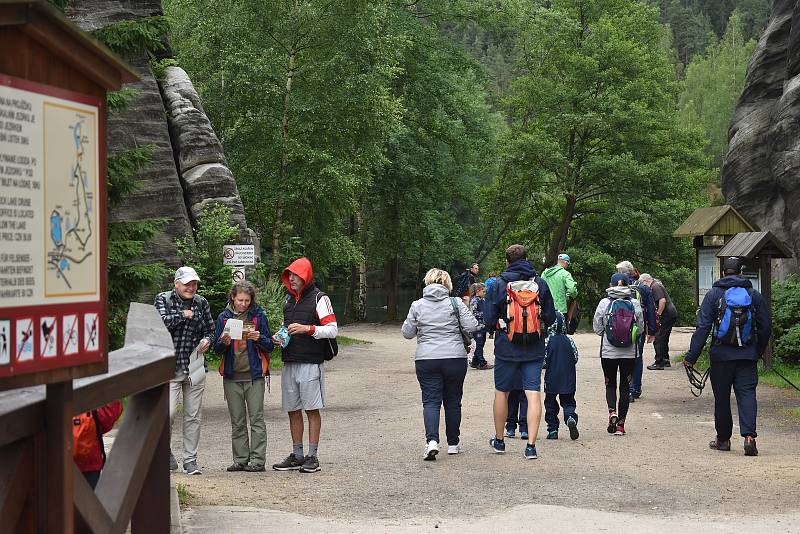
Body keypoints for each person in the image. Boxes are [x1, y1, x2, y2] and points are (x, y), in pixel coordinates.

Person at [683, 257, 771, 456]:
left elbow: (703, 327)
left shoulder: (714, 294)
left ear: (723, 273)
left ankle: (723, 440)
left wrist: (692, 356)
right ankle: (749, 437)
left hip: (721, 356)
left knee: (722, 398)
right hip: (747, 355)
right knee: (747, 394)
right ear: (741, 272)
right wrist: (757, 351)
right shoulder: (753, 295)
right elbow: (765, 326)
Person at [484, 244, 556, 459]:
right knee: (532, 393)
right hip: (534, 347)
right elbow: (551, 318)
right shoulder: (539, 283)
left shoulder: (498, 284)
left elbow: (488, 320)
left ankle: (499, 441)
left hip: (506, 347)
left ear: (507, 261)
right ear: (527, 259)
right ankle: (531, 446)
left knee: (502, 392)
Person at [402, 268, 480, 459]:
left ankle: (432, 442)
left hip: (426, 359)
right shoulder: (456, 303)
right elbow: (472, 326)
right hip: (454, 357)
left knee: (430, 401)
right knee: (453, 401)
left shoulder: (417, 305)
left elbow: (407, 332)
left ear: (427, 282)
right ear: (447, 284)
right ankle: (453, 444)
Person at [271, 257, 337, 474]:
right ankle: (297, 455)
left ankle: (313, 456)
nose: (291, 279)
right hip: (290, 361)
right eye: (289, 275)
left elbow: (332, 330)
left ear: (305, 276)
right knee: (292, 409)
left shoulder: (320, 298)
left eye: (295, 275)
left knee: (311, 409)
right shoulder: (289, 301)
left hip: (310, 362)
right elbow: (287, 327)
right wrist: (279, 336)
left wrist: (308, 329)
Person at [155, 266, 214, 475]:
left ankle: (190, 460)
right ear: (176, 283)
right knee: (167, 414)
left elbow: (210, 329)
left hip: (194, 368)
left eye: (194, 283)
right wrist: (184, 314)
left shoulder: (202, 302)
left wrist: (208, 340)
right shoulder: (163, 299)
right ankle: (165, 451)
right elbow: (160, 322)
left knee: (193, 416)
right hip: (168, 369)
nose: (191, 287)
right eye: (187, 283)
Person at [214, 281, 275, 472]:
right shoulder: (223, 318)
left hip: (255, 375)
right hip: (232, 375)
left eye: (247, 300)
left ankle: (257, 460)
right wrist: (223, 342)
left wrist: (260, 338)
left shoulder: (258, 316)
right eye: (240, 300)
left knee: (256, 418)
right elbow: (217, 349)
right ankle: (240, 459)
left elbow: (270, 345)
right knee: (237, 420)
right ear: (233, 297)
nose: (243, 304)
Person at [592, 273, 644, 436]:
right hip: (629, 352)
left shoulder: (604, 302)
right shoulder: (634, 303)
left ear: (611, 284)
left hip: (608, 352)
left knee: (610, 384)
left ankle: (612, 412)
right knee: (625, 386)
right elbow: (641, 328)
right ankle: (620, 425)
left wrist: (607, 335)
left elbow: (597, 326)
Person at [615, 261, 657, 400]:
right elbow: (651, 309)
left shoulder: (616, 288)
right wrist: (652, 330)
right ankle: (635, 388)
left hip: (619, 328)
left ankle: (626, 386)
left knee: (623, 356)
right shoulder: (642, 288)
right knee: (637, 357)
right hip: (637, 328)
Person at [543, 311, 580, 440]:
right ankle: (570, 416)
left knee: (550, 404)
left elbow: (544, 361)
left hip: (552, 379)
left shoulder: (547, 342)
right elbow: (575, 357)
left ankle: (553, 430)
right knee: (568, 401)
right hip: (568, 378)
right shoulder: (569, 340)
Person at [73, 400, 123, 489]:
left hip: (54, 462)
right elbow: (107, 417)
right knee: (88, 500)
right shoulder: (90, 395)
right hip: (89, 461)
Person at [639, 274, 679, 370]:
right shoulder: (657, 284)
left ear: (646, 281)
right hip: (670, 314)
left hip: (666, 315)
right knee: (664, 337)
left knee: (658, 337)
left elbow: (662, 301)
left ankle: (659, 362)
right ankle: (665, 360)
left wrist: (658, 315)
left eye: (642, 284)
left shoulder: (655, 286)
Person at [468, 283, 492, 370]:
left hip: (482, 326)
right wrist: (486, 314)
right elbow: (473, 313)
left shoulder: (481, 300)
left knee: (481, 343)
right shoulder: (475, 300)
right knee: (479, 344)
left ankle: (475, 362)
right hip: (477, 327)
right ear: (478, 291)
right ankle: (482, 363)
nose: (484, 293)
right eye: (483, 291)